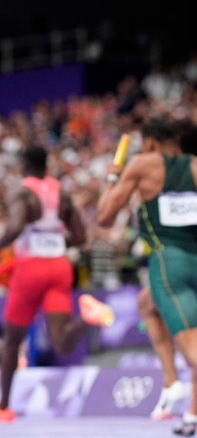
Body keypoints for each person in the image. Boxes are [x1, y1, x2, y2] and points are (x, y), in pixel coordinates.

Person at [97, 117, 197, 436]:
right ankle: (178, 393)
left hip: (173, 261)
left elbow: (103, 216)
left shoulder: (149, 165)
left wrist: (114, 178)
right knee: (149, 303)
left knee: (191, 341)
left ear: (154, 143)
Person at [0, 146, 115, 423]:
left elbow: (15, 226)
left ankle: (4, 406)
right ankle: (88, 317)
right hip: (59, 267)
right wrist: (52, 238)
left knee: (12, 341)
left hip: (30, 269)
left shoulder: (20, 191)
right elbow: (80, 237)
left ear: (23, 165)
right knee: (62, 341)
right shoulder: (61, 192)